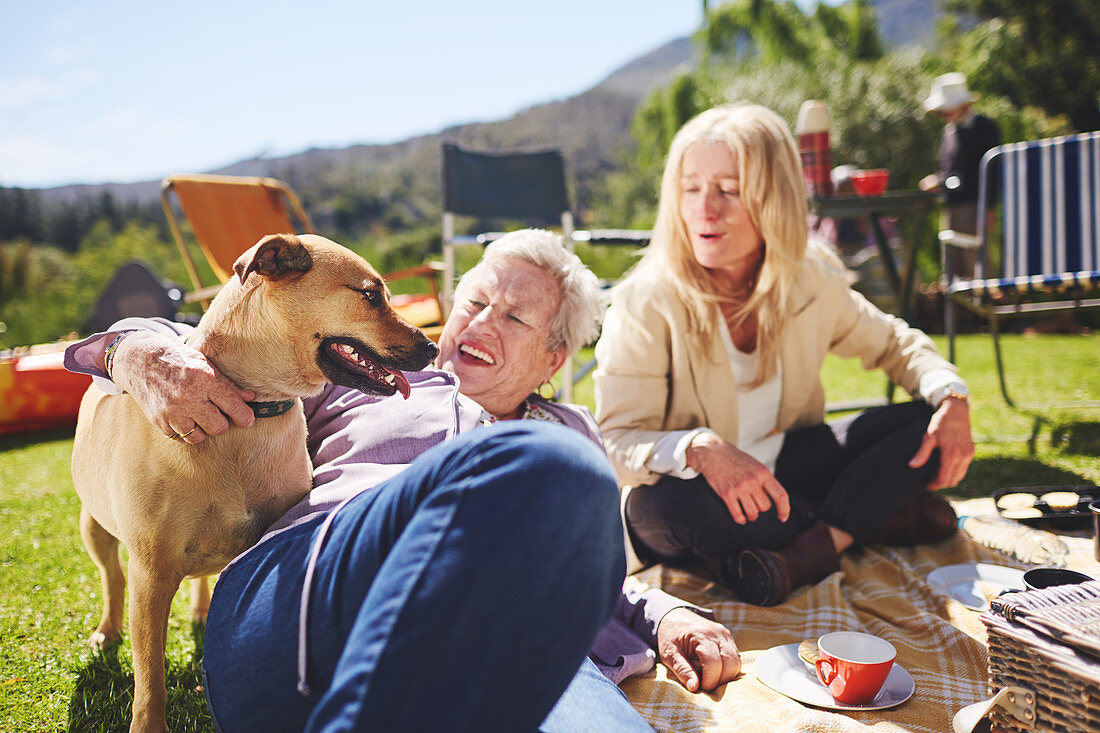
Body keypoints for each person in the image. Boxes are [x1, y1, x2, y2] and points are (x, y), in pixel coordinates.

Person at [64, 230, 739, 731]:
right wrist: (132, 351)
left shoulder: (567, 429)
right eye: (473, 300)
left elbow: (591, 575)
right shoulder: (352, 377)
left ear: (553, 357)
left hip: (502, 642)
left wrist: (664, 611)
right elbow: (232, 327)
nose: (474, 323)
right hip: (304, 610)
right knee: (553, 465)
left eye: (512, 316)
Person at [594, 103, 976, 608]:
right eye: (690, 189)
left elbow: (893, 344)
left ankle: (819, 545)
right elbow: (615, 443)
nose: (704, 210)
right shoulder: (646, 301)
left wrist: (952, 395)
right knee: (676, 505)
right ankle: (869, 514)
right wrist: (698, 447)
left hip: (781, 466)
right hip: (689, 494)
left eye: (728, 190)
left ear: (772, 197)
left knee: (926, 420)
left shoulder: (809, 276)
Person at [918, 72, 1001, 280]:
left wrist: (989, 207)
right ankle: (959, 310)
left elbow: (993, 172)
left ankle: (984, 309)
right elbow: (949, 170)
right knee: (952, 267)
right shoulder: (948, 132)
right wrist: (937, 181)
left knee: (977, 265)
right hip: (951, 206)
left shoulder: (985, 128)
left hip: (975, 207)